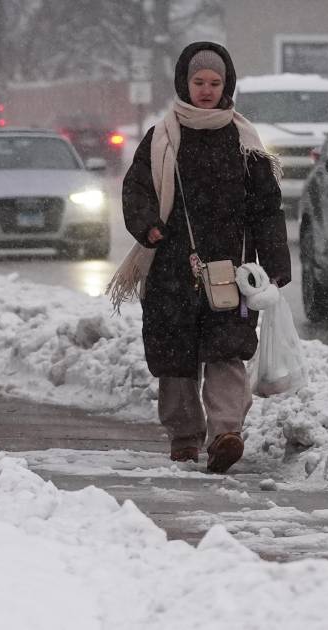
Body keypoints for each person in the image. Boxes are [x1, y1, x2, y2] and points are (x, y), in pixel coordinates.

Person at [107, 42, 290, 473]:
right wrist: (148, 225)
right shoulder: (161, 138)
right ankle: (184, 438)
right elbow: (136, 189)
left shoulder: (245, 142)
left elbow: (266, 207)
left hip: (231, 268)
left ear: (226, 85)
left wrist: (275, 265)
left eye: (215, 83)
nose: (206, 90)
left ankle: (226, 433)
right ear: (183, 83)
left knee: (227, 351)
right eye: (198, 82)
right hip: (172, 266)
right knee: (176, 357)